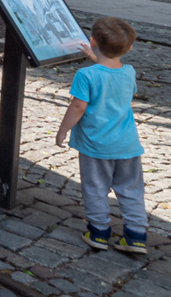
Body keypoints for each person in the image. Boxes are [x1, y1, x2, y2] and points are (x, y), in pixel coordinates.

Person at [55, 16, 147, 254]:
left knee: (95, 188)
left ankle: (98, 232)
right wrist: (96, 58)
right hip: (127, 145)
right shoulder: (129, 72)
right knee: (131, 189)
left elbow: (78, 107)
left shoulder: (86, 76)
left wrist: (63, 130)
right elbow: (111, 76)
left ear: (93, 41)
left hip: (96, 146)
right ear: (129, 48)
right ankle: (136, 236)